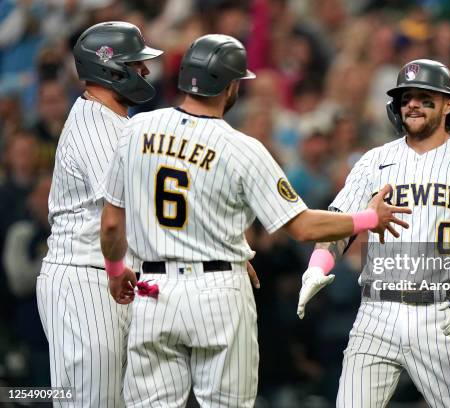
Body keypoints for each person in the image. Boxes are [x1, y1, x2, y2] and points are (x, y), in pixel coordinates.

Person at [99, 34, 411, 407]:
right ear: (229, 86)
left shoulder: (136, 129)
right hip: (218, 293)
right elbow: (302, 227)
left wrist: (117, 270)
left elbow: (112, 223)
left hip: (152, 290)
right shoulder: (241, 148)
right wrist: (367, 217)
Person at [297, 59, 450, 407]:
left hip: (440, 314)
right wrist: (318, 265)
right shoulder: (373, 160)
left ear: (447, 104)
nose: (412, 103)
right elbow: (340, 224)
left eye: (424, 96)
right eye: (406, 97)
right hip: (376, 313)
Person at [36, 21, 163, 407]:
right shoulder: (94, 123)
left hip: (112, 278)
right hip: (85, 278)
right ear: (109, 67)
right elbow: (126, 210)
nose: (144, 70)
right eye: (136, 62)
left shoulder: (118, 123)